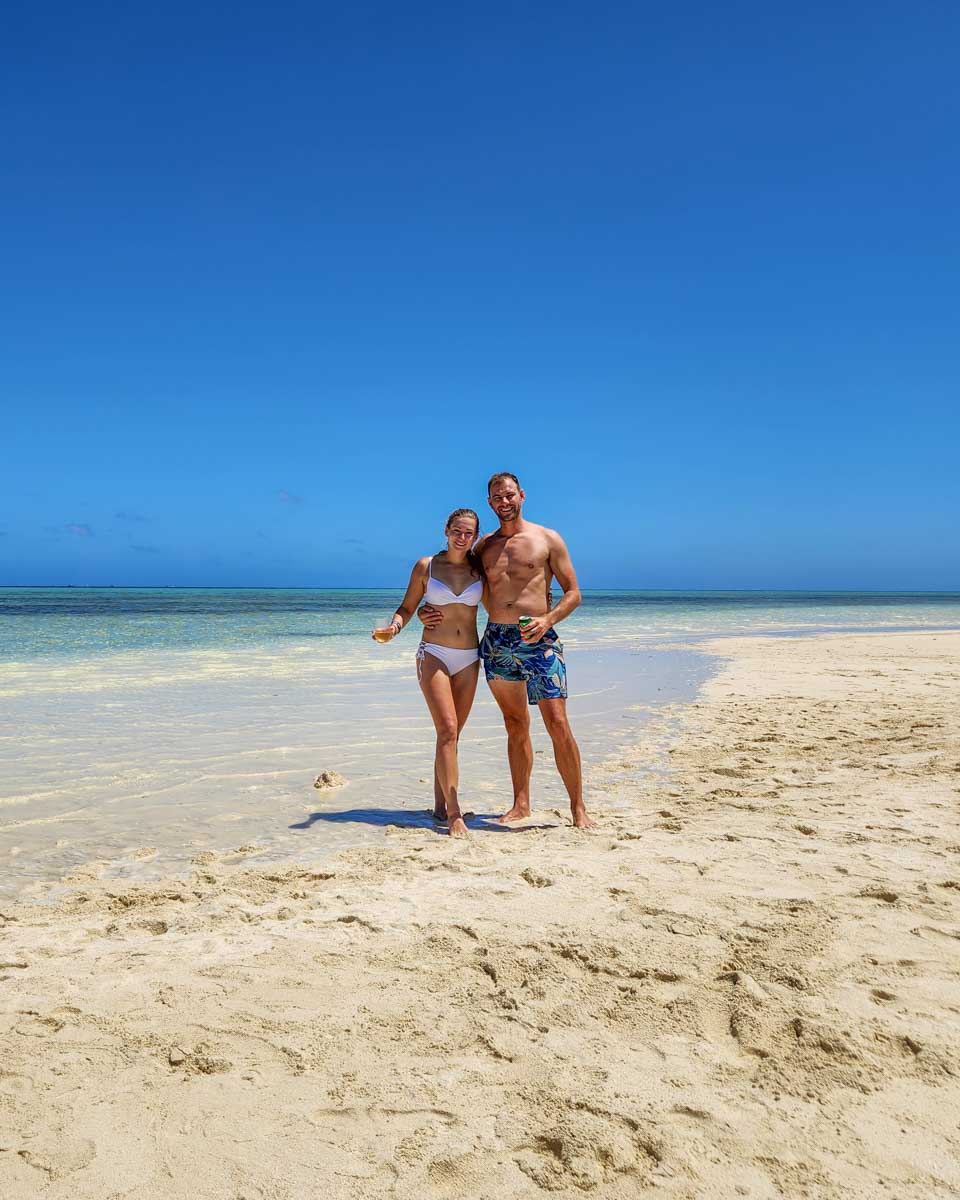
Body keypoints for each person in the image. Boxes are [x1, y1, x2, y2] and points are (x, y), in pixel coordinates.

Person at [420, 472, 597, 830]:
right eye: (497, 497)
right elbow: (454, 581)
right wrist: (426, 609)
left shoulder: (547, 538)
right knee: (515, 724)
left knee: (558, 723)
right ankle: (521, 803)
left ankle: (578, 808)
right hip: (498, 641)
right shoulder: (483, 547)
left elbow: (574, 593)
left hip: (539, 640)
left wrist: (547, 620)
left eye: (509, 495)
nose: (504, 501)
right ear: (490, 502)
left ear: (522, 495)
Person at [372, 508, 483, 838]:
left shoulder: (480, 567)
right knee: (447, 728)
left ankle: (438, 806)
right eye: (457, 531)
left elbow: (507, 594)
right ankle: (454, 813)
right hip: (434, 653)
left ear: (476, 537)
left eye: (469, 533)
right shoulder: (427, 566)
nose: (462, 537)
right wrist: (395, 627)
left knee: (452, 735)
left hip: (470, 657)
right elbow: (407, 607)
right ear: (446, 530)